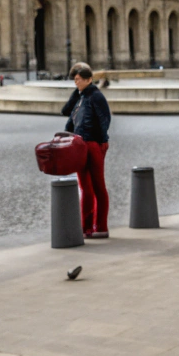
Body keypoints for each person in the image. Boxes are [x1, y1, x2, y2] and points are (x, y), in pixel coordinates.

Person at [62, 62, 112, 238]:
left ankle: (101, 227)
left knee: (98, 186)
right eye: (74, 80)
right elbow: (65, 111)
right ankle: (86, 227)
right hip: (81, 144)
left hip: (94, 144)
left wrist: (100, 142)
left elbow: (105, 119)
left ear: (89, 79)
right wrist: (77, 92)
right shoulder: (81, 96)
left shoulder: (96, 96)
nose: (76, 82)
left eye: (78, 80)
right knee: (85, 187)